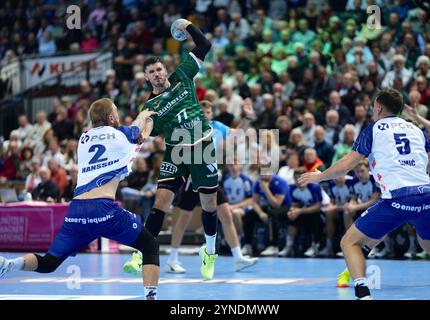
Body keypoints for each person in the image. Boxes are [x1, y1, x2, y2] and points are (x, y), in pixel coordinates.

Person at [0, 99, 161, 300]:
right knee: (150, 246)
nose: (118, 116)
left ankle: (9, 265)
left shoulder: (84, 139)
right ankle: (151, 297)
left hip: (76, 212)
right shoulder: (120, 134)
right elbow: (141, 131)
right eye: (116, 112)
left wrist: (142, 121)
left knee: (49, 262)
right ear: (111, 117)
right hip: (104, 210)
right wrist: (146, 115)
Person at [299, 89, 430, 300]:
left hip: (397, 198)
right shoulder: (416, 130)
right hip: (426, 196)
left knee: (349, 243)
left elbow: (346, 165)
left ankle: (363, 296)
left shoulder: (374, 130)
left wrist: (320, 176)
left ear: (378, 107)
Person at [122, 20, 220, 281]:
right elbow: (143, 132)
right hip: (176, 152)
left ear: (165, 70)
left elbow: (205, 44)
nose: (157, 74)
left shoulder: (183, 75)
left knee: (209, 204)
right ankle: (142, 251)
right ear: (146, 77)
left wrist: (186, 25)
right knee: (160, 202)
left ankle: (209, 252)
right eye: (151, 71)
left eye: (159, 69)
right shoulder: (151, 106)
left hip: (202, 147)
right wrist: (138, 125)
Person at [166, 100, 258, 274]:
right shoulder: (188, 129)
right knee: (183, 219)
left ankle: (238, 257)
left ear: (211, 114)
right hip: (193, 181)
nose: (205, 115)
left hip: (212, 179)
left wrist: (247, 117)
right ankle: (172, 259)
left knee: (226, 215)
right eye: (202, 112)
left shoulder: (217, 127)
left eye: (208, 112)